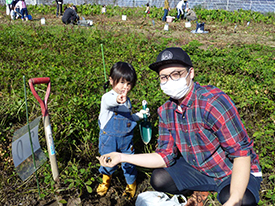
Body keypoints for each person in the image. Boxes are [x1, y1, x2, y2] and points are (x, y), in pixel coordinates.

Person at [97, 47, 263, 206]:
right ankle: (203, 191)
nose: (169, 81)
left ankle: (219, 191)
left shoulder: (212, 102)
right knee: (159, 179)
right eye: (164, 77)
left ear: (190, 73)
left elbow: (241, 152)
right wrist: (121, 157)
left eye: (176, 74)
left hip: (229, 169)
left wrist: (234, 199)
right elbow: (164, 156)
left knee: (242, 200)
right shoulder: (166, 111)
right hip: (199, 168)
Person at [96, 62, 150, 199]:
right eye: (121, 83)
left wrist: (140, 115)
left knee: (129, 162)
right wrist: (118, 99)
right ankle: (106, 181)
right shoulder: (108, 98)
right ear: (111, 80)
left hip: (126, 139)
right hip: (108, 139)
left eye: (129, 84)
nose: (125, 87)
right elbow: (110, 102)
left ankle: (131, 184)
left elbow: (128, 118)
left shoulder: (127, 101)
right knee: (107, 160)